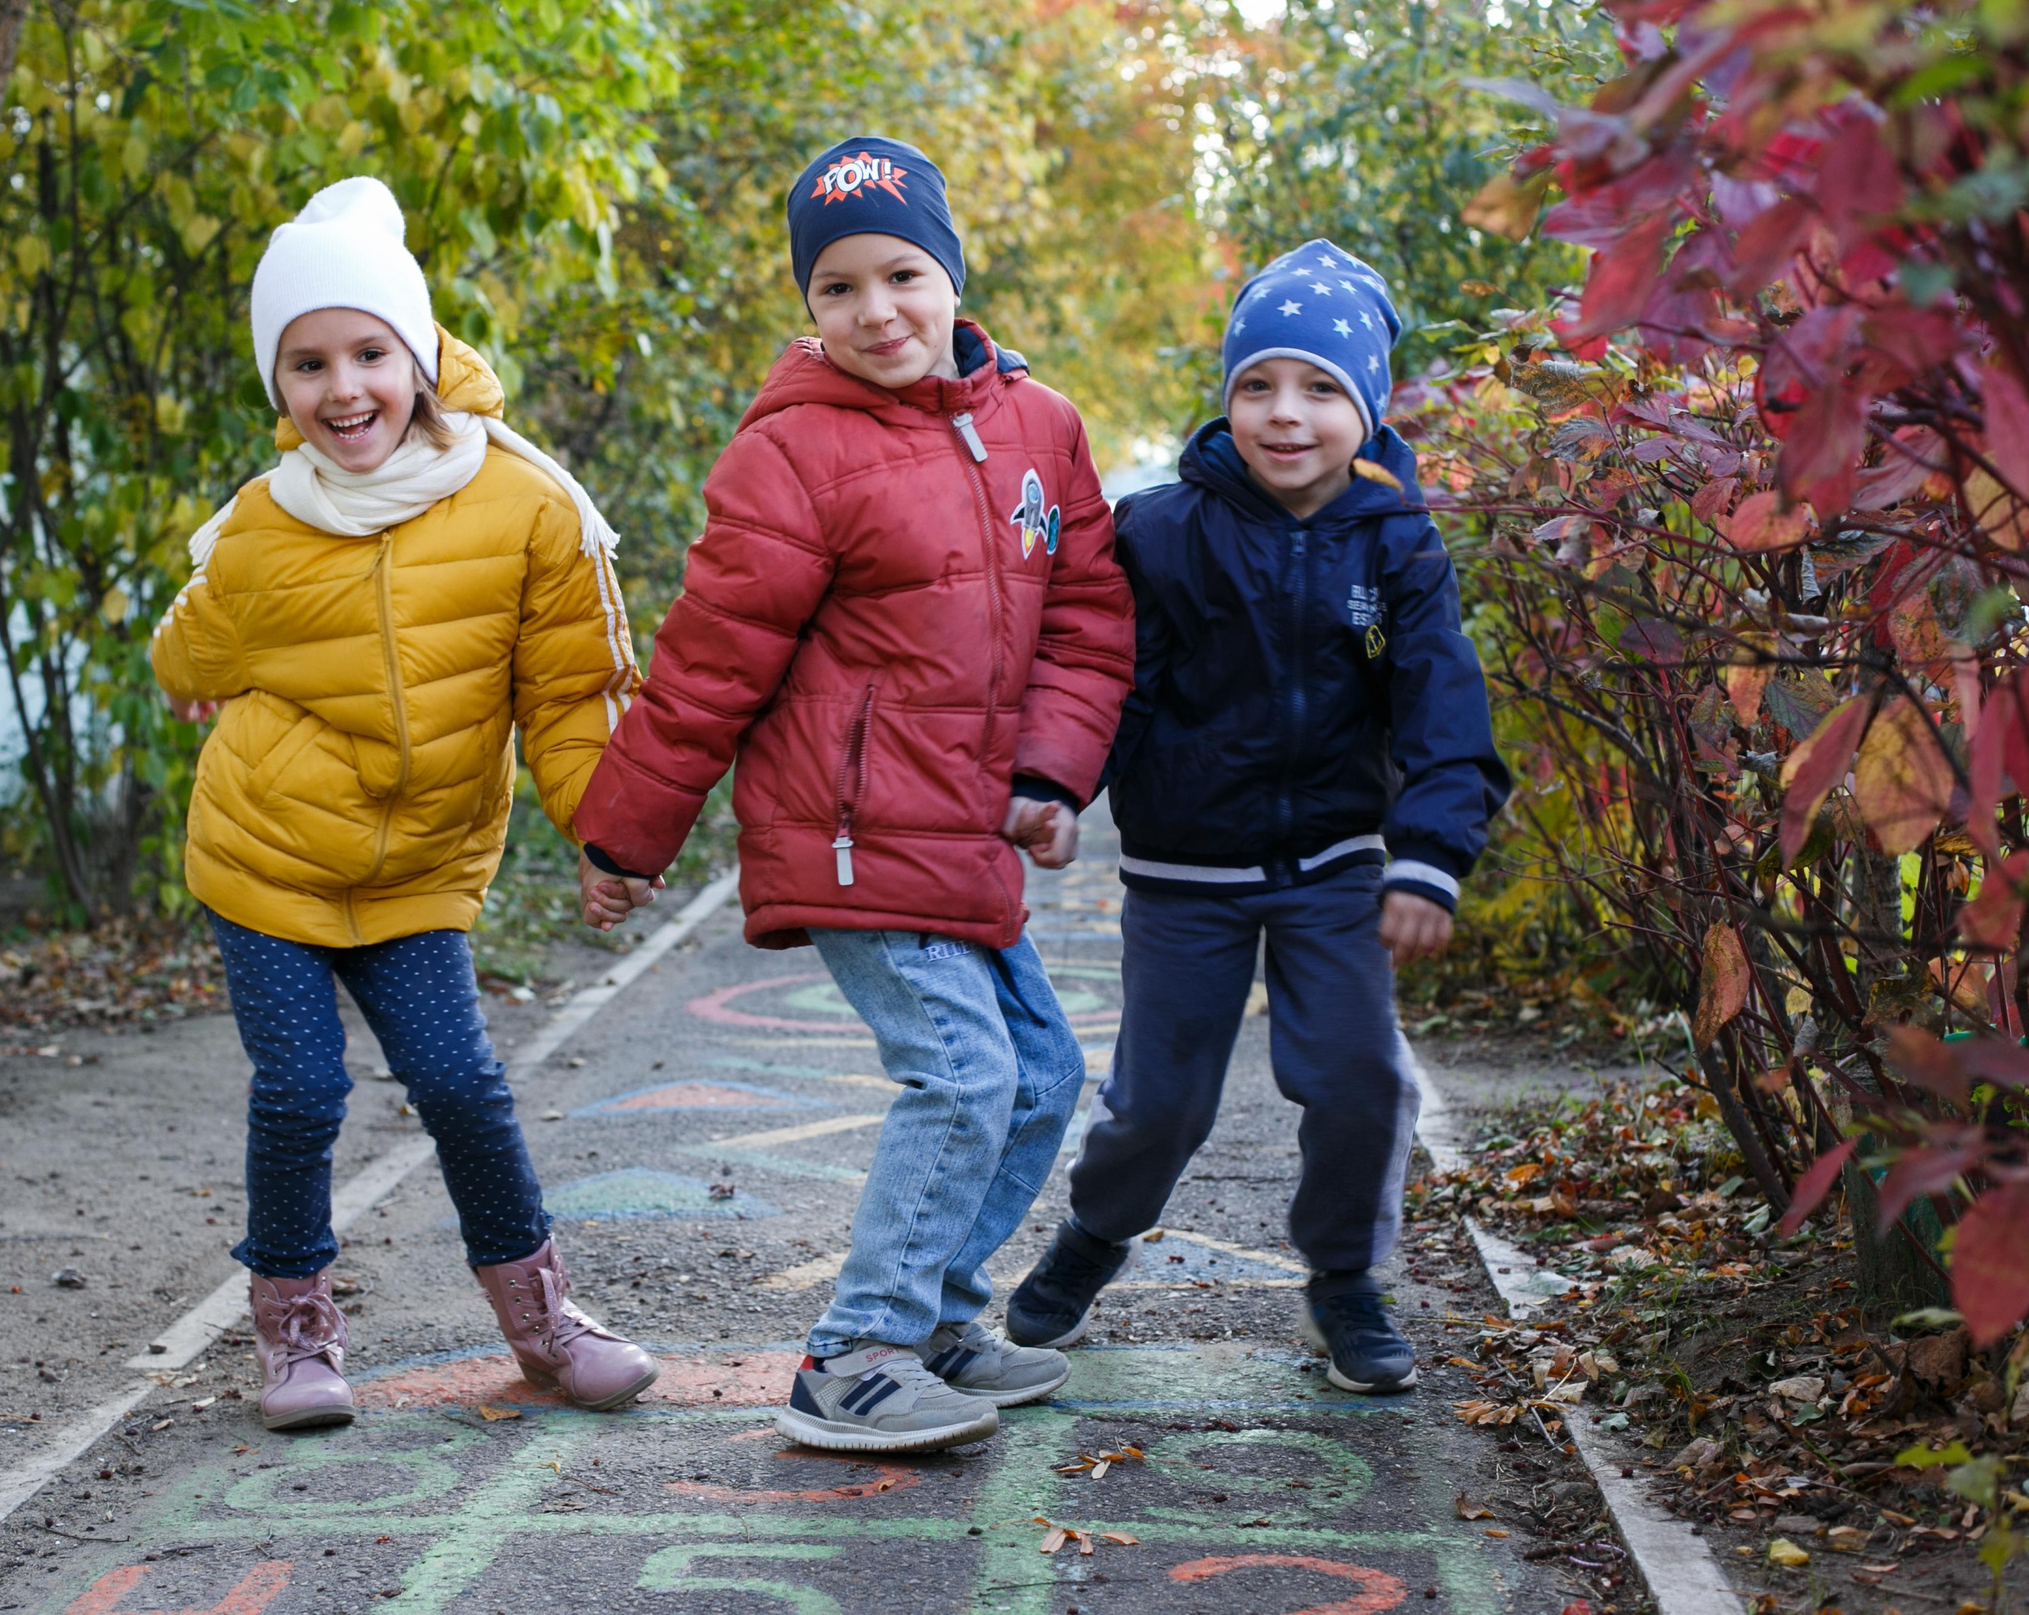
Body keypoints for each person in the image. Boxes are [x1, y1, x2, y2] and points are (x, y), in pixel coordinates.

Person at [571, 137, 1136, 1453]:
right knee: (960, 1072)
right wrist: (626, 831)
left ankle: (936, 1314)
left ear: (950, 273)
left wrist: (1052, 773)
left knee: (1042, 1075)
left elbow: (1089, 618)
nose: (875, 311)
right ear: (808, 306)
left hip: (965, 833)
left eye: (900, 274)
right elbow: (708, 662)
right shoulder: (794, 455)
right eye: (837, 288)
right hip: (845, 831)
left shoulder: (1039, 429)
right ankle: (857, 1352)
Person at [150, 177, 659, 1431]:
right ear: (280, 387)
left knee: (459, 1083)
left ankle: (544, 1323)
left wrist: (606, 830)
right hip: (266, 854)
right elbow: (185, 657)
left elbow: (570, 692)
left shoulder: (524, 505)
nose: (343, 390)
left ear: (421, 355)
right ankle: (296, 1337)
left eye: (369, 352)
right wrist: (200, 670)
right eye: (307, 363)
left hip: (418, 866)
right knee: (302, 1092)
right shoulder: (262, 528)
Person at [1004, 239, 1510, 1393]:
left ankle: (1342, 1280)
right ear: (1226, 397)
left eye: (1321, 389)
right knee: (1158, 1105)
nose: (1285, 416)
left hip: (1334, 862)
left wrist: (1428, 856)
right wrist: (1055, 785)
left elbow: (1443, 701)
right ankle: (1091, 1240)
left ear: (1368, 405)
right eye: (1256, 386)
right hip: (1186, 874)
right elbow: (1105, 680)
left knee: (1359, 1079)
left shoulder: (1397, 542)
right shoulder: (1161, 534)